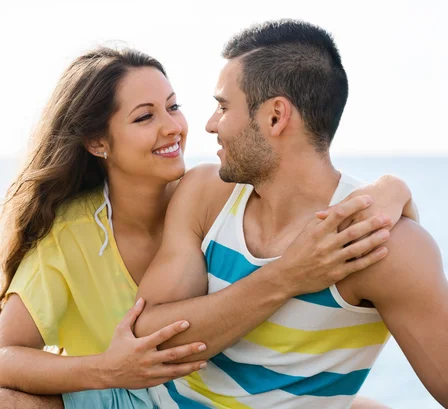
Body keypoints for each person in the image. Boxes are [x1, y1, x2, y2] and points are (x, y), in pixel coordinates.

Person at [0, 46, 415, 409]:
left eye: (174, 106)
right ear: (98, 142)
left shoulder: (219, 198)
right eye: (145, 117)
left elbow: (309, 181)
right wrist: (108, 370)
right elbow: (1, 360)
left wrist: (393, 188)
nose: (175, 127)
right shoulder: (72, 236)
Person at [134, 20, 448, 408]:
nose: (210, 124)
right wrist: (288, 276)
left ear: (275, 116)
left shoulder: (378, 244)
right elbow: (144, 341)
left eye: (223, 106)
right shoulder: (206, 193)